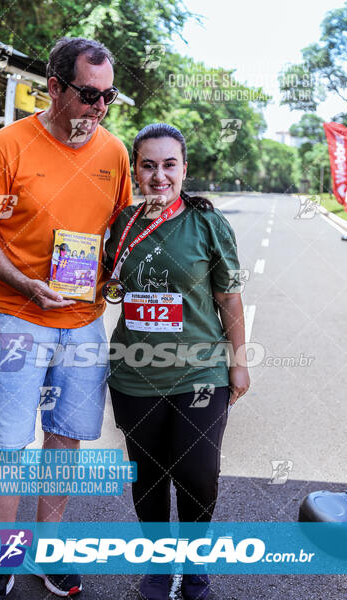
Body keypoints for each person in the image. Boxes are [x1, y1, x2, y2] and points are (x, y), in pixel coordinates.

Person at [0, 37, 132, 599]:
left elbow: (124, 231)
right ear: (54, 86)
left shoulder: (114, 153)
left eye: (108, 98)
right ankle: (6, 557)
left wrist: (122, 272)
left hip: (82, 323)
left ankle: (47, 553)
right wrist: (23, 281)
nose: (98, 110)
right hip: (15, 315)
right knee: (8, 445)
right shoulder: (8, 148)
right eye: (87, 95)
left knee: (64, 438)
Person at [105, 123, 250, 600]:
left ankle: (194, 565)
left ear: (184, 169)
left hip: (200, 371)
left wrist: (239, 361)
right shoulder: (121, 225)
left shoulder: (209, 224)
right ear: (136, 171)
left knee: (197, 472)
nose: (159, 175)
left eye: (169, 165)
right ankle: (158, 564)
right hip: (134, 373)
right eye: (148, 165)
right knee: (146, 475)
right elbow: (97, 283)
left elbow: (229, 298)